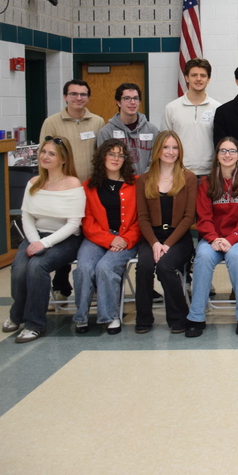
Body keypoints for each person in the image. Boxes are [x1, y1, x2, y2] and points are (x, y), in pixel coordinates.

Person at [2, 136, 84, 343]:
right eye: (43, 152)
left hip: (64, 240)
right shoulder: (34, 183)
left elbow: (73, 224)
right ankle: (17, 313)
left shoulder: (73, 184)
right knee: (19, 270)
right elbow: (26, 216)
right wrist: (33, 241)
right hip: (35, 235)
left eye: (51, 153)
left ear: (63, 159)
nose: (45, 157)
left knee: (37, 266)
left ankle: (34, 324)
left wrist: (44, 244)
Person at [186, 137, 238, 337]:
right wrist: (213, 238)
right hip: (213, 238)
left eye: (232, 151)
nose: (227, 155)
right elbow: (203, 217)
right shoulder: (206, 183)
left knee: (235, 257)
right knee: (202, 257)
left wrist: (231, 239)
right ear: (217, 156)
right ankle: (196, 317)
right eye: (223, 151)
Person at [40, 79, 105, 300]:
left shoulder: (97, 122)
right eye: (74, 94)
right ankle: (61, 284)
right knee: (64, 235)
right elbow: (46, 156)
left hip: (91, 189)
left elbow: (101, 155)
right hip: (63, 192)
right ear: (65, 96)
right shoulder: (52, 122)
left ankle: (93, 283)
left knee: (90, 235)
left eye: (83, 94)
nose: (79, 98)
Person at [73, 139, 140, 335]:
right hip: (97, 238)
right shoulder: (89, 185)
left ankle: (110, 316)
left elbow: (140, 219)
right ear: (102, 157)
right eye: (111, 154)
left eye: (120, 155)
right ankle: (81, 316)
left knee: (105, 267)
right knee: (84, 268)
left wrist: (125, 239)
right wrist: (108, 239)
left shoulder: (135, 183)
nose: (116, 158)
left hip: (126, 238)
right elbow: (87, 220)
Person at [134, 130, 197, 334]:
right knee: (143, 266)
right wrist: (154, 243)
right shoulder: (144, 180)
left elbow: (188, 217)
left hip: (178, 238)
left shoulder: (188, 178)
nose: (171, 152)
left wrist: (167, 244)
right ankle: (143, 317)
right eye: (166, 147)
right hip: (151, 237)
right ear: (157, 151)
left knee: (164, 266)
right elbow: (142, 218)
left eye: (175, 147)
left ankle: (179, 317)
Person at [163, 58, 222, 177]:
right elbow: (163, 142)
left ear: (208, 79)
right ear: (186, 78)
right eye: (194, 75)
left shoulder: (218, 109)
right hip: (179, 172)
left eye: (203, 75)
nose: (198, 79)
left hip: (210, 173)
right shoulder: (171, 108)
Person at [97, 83, 159, 174]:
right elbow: (103, 162)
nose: (132, 102)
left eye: (135, 98)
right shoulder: (107, 132)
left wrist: (144, 179)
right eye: (127, 98)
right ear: (118, 102)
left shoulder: (152, 130)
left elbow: (156, 159)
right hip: (120, 184)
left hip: (146, 182)